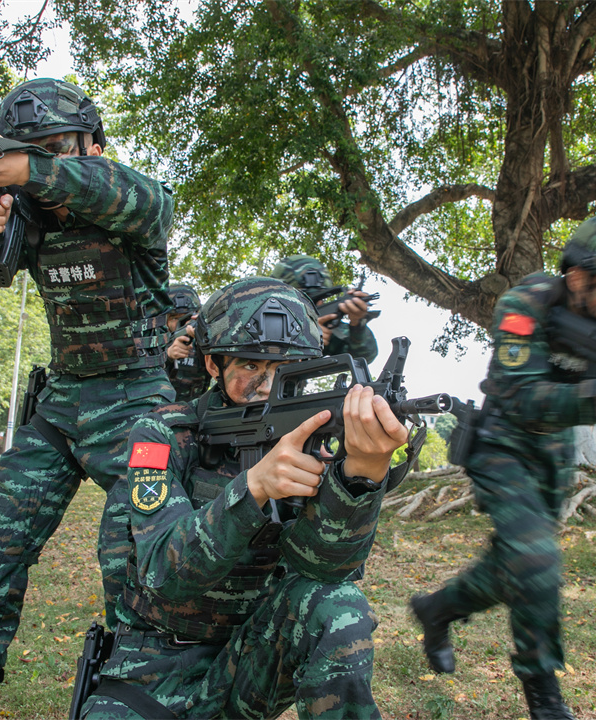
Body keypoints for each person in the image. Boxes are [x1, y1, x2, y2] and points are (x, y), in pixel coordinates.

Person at [0, 78, 175, 720]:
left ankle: (133, 688)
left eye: (58, 146)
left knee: (133, 549)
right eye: (28, 147)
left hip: (140, 402)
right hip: (62, 406)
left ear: (93, 146)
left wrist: (27, 167)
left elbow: (152, 204)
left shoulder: (123, 199)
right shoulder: (27, 218)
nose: (43, 160)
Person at [409, 213, 596, 720]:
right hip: (501, 444)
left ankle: (437, 608)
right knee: (536, 559)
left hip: (554, 452)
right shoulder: (524, 304)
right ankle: (543, 693)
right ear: (577, 277)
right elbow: (519, 396)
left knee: (520, 566)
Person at [80, 277, 410, 719]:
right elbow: (163, 573)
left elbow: (326, 569)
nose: (267, 384)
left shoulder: (312, 441)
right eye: (250, 365)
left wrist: (361, 475)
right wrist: (253, 488)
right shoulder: (161, 435)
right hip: (151, 668)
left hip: (250, 659)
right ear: (213, 364)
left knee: (339, 605)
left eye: (287, 369)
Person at [270, 254, 380, 363]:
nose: (316, 305)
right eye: (306, 300)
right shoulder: (263, 323)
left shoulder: (324, 326)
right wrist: (298, 341)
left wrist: (357, 324)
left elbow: (364, 356)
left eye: (321, 298)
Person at [164, 284, 212, 402]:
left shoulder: (206, 338)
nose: (182, 323)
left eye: (187, 317)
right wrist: (167, 356)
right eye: (174, 318)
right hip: (161, 409)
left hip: (195, 408)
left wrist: (204, 338)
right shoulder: (154, 341)